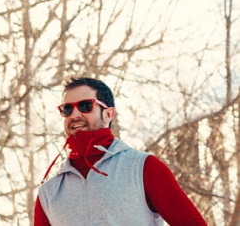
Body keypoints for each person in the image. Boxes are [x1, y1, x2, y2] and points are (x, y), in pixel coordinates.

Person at [34, 77, 206, 225]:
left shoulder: (143, 168)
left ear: (108, 114)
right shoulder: (50, 191)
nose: (75, 115)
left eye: (85, 106)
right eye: (67, 109)